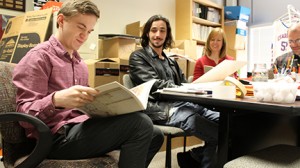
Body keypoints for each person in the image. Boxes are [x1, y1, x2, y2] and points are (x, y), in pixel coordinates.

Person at [12, 0, 164, 168]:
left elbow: (86, 107)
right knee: (140, 124)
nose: (84, 36)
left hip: (79, 126)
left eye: (89, 31)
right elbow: (25, 118)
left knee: (155, 134)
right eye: (80, 27)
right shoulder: (39, 57)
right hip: (53, 138)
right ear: (61, 21)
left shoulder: (80, 63)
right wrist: (56, 100)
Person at [129, 14, 219, 168]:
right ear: (147, 33)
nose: (158, 35)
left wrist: (197, 87)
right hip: (161, 110)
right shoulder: (138, 57)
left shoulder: (171, 61)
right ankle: (196, 159)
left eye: (162, 31)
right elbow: (154, 84)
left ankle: (195, 157)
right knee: (217, 134)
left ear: (167, 34)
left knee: (225, 122)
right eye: (154, 30)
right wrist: (183, 89)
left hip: (185, 105)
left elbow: (184, 84)